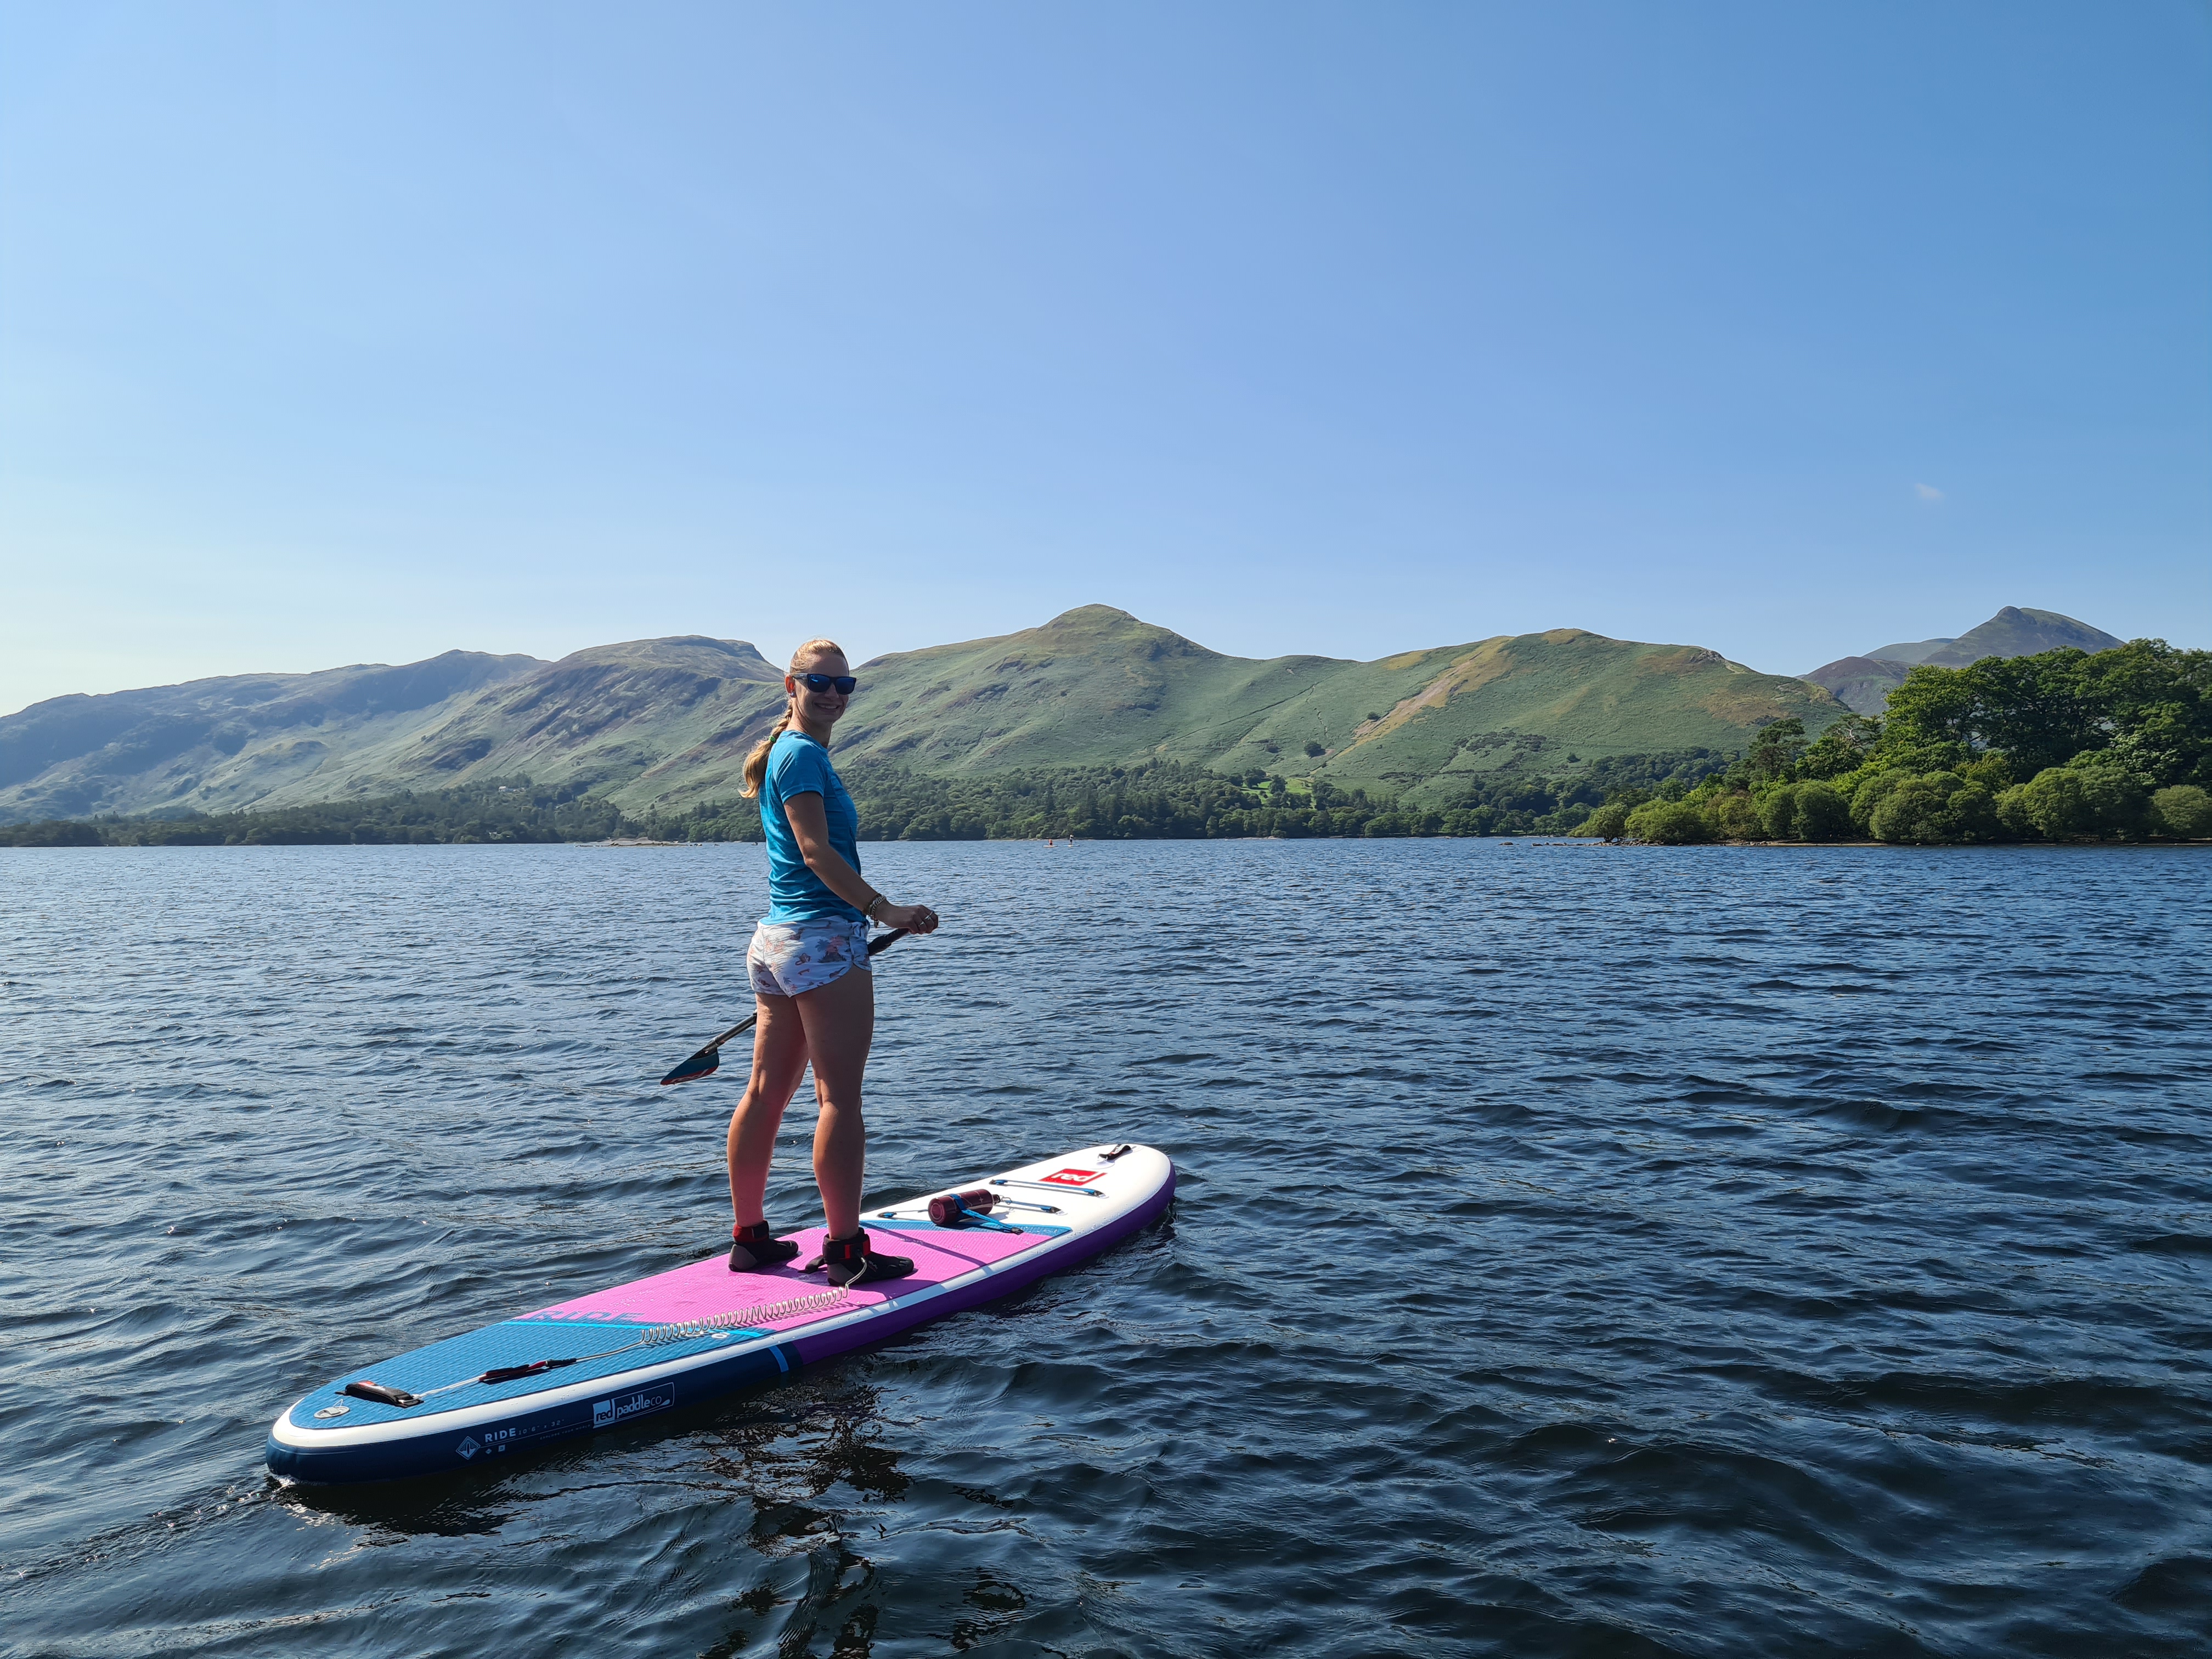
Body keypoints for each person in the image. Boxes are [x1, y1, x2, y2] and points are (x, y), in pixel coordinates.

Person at [725, 639, 940, 1287]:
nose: (832, 694)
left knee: (767, 1091)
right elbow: (816, 853)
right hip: (822, 940)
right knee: (837, 1099)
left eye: (844, 686)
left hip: (777, 942)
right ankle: (847, 1250)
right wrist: (886, 909)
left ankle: (752, 1239)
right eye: (818, 682)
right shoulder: (800, 755)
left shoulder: (790, 753)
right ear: (791, 686)